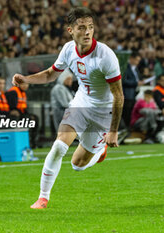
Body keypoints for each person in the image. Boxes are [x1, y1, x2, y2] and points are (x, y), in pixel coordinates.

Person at [12, 7, 124, 209]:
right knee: (58, 146)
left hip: (103, 112)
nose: (88, 32)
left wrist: (113, 131)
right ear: (70, 30)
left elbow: (118, 95)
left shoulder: (106, 56)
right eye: (82, 28)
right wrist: (25, 79)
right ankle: (43, 198)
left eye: (90, 27)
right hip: (80, 103)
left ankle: (100, 152)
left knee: (77, 165)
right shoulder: (68, 49)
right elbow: (50, 74)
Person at [122, 52, 142, 128]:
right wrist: (136, 83)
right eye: (136, 60)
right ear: (131, 59)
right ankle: (125, 128)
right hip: (127, 94)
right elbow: (123, 81)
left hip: (134, 94)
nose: (138, 62)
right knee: (126, 112)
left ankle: (129, 127)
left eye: (139, 60)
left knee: (131, 112)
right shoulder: (125, 68)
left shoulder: (136, 69)